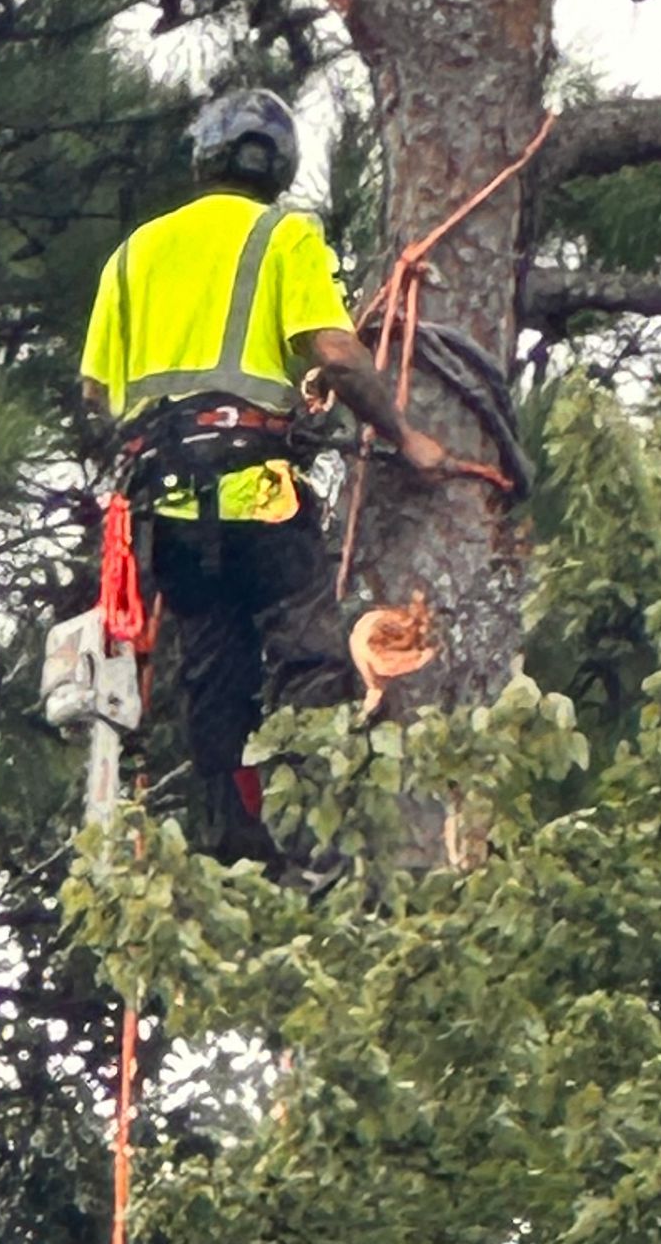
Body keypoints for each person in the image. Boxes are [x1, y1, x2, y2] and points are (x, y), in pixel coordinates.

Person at [80, 87, 454, 863]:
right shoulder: (286, 235)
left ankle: (236, 848)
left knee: (216, 678)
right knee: (311, 650)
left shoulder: (131, 257)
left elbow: (97, 394)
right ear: (278, 167)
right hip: (256, 492)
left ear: (204, 158)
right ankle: (318, 828)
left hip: (167, 510)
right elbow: (338, 352)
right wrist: (406, 437)